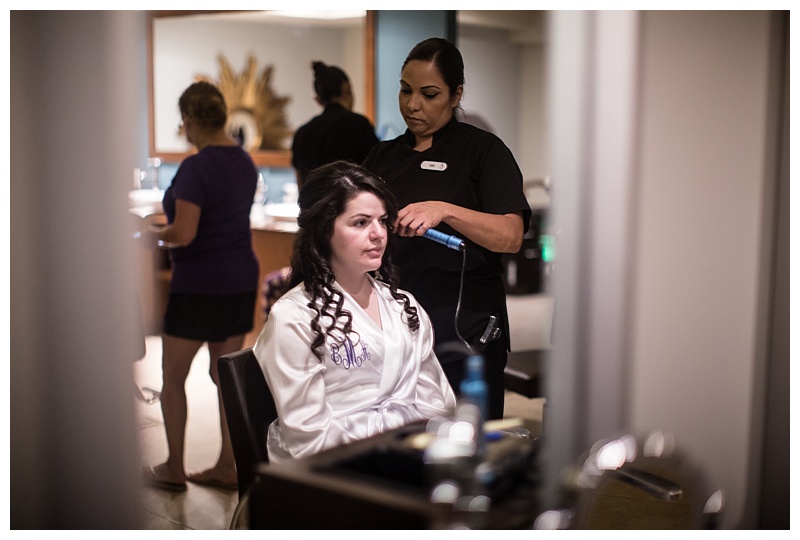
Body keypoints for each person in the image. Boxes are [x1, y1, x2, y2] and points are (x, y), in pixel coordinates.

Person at [362, 37, 531, 420]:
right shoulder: (382, 156)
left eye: (429, 94)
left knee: (467, 449)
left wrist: (446, 211)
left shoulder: (485, 152)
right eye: (405, 91)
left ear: (456, 95)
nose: (412, 104)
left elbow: (511, 235)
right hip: (395, 327)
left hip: (465, 329)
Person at [253, 161, 456, 463]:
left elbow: (436, 402)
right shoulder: (294, 317)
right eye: (360, 223)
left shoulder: (404, 306)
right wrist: (387, 453)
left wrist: (419, 452)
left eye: (383, 221)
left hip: (408, 455)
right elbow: (309, 437)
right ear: (323, 232)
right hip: (330, 471)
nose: (378, 234)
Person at [141, 81, 259, 492]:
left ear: (189, 120)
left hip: (199, 286)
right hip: (240, 279)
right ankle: (228, 466)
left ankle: (174, 467)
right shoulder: (243, 161)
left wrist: (153, 235)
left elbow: (185, 233)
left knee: (172, 377)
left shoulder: (197, 166)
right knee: (223, 376)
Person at [291, 61, 379, 189]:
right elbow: (375, 171)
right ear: (346, 87)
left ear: (318, 99)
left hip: (313, 207)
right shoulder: (358, 124)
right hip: (349, 205)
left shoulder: (302, 133)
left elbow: (301, 182)